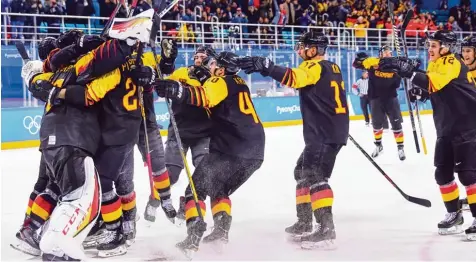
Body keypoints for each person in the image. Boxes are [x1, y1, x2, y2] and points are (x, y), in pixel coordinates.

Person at [238, 31, 349, 249]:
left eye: (304, 46)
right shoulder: (331, 67)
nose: (300, 50)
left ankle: (327, 231)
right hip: (329, 129)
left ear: (315, 49)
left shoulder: (313, 67)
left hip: (324, 132)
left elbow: (295, 79)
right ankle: (304, 222)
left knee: (316, 176)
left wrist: (267, 67)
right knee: (302, 172)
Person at [153, 51, 265, 257]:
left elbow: (204, 97)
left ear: (221, 70)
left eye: (214, 64)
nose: (210, 66)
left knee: (194, 191)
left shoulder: (219, 82)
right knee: (218, 189)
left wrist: (177, 90)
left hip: (230, 149)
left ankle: (192, 239)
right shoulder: (239, 83)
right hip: (255, 152)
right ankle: (220, 233)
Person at [379, 29, 476, 241]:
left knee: (468, 175)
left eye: (433, 46)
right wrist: (419, 91)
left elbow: (434, 82)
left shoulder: (452, 62)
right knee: (442, 174)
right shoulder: (436, 64)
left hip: (467, 124)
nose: (429, 49)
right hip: (446, 126)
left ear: (446, 48)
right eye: (429, 45)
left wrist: (409, 73)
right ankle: (455, 215)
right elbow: (435, 86)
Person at [144, 45, 215, 223]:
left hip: (204, 133)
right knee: (171, 173)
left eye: (203, 57)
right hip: (179, 131)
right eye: (197, 56)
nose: (199, 59)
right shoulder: (182, 72)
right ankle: (153, 200)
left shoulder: (214, 80)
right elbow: (164, 82)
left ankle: (188, 203)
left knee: (203, 173)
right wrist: (162, 85)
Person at [353, 45, 405, 161]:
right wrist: (361, 60)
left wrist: (401, 71)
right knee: (376, 125)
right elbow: (355, 64)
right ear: (380, 54)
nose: (387, 54)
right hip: (375, 98)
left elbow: (397, 84)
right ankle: (378, 146)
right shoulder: (373, 62)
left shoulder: (396, 65)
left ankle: (400, 147)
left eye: (389, 52)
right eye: (385, 52)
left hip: (391, 98)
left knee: (396, 124)